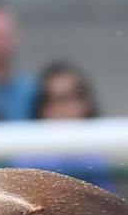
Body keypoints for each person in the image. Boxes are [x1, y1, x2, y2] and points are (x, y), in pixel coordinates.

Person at [15, 63, 114, 193]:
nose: (62, 108)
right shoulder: (27, 158)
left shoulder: (106, 150)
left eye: (68, 98)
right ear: (42, 108)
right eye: (55, 99)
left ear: (85, 104)